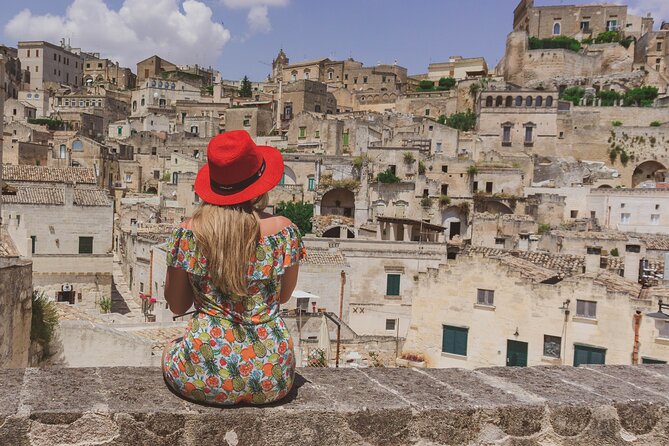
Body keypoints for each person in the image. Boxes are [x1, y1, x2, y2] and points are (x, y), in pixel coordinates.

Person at [162, 130, 306, 405]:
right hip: (271, 375)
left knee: (170, 349)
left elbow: (177, 306)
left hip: (203, 372)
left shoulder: (189, 234)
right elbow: (284, 296)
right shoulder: (284, 232)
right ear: (260, 182)